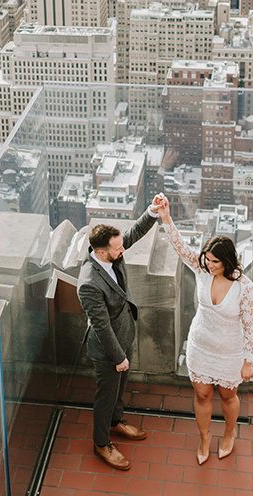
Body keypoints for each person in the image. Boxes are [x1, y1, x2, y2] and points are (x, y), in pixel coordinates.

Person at [152, 197, 253, 465]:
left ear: (227, 261)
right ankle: (204, 437)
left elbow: (249, 326)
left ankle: (229, 433)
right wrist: (166, 217)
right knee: (201, 395)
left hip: (230, 351)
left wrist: (248, 361)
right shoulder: (201, 270)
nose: (210, 265)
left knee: (228, 395)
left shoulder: (245, 288)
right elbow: (180, 247)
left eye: (215, 261)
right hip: (200, 345)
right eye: (207, 260)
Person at [75, 193, 167, 471]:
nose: (122, 250)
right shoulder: (89, 283)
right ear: (101, 252)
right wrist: (118, 357)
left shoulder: (111, 249)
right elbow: (101, 326)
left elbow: (134, 232)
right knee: (106, 394)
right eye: (117, 248)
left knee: (121, 388)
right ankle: (102, 442)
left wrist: (152, 210)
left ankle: (116, 422)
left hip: (124, 332)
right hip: (107, 348)